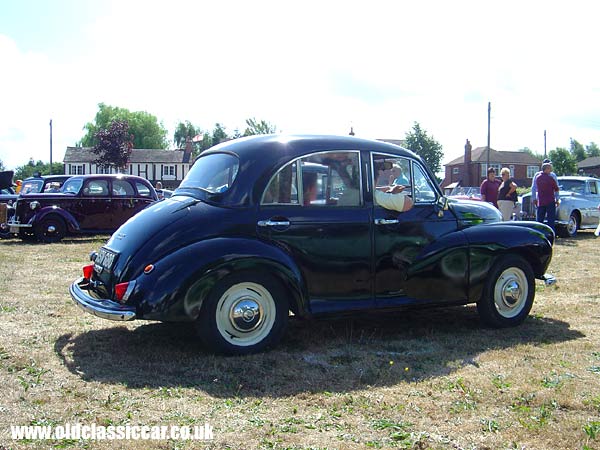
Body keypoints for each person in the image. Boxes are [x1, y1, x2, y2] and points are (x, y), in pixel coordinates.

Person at [535, 162, 559, 231]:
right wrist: (557, 199)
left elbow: (536, 187)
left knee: (540, 219)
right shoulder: (550, 178)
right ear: (546, 169)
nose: (551, 170)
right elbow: (556, 188)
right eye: (550, 169)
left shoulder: (538, 178)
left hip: (541, 201)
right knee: (550, 219)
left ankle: (538, 233)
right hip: (550, 200)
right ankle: (551, 233)